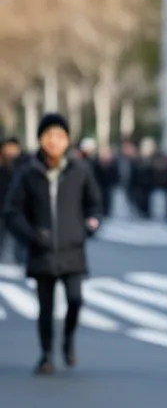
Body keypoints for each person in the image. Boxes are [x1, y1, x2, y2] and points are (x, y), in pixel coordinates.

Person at [3, 113, 102, 374]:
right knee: (45, 308)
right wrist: (31, 235)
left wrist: (89, 226)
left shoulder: (80, 170)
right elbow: (12, 212)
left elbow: (95, 205)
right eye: (49, 135)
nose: (54, 141)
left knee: (75, 300)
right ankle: (46, 353)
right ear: (40, 139)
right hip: (41, 251)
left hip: (73, 249)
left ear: (68, 139)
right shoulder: (28, 173)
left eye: (60, 135)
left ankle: (68, 340)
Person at [0, 135, 25, 262]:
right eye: (8, 148)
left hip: (18, 212)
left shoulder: (24, 165)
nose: (11, 151)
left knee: (21, 246)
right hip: (2, 210)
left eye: (13, 148)